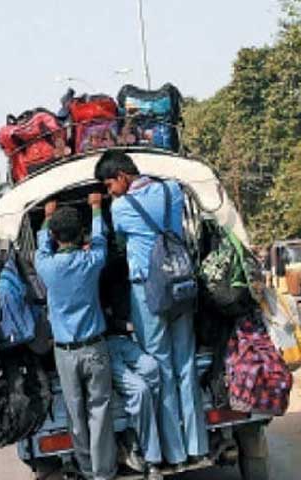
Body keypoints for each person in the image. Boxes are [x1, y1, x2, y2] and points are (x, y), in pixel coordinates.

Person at [95, 150, 207, 466]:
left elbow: (117, 245)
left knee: (161, 367)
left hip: (148, 292)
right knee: (185, 364)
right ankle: (197, 444)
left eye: (109, 185)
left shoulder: (120, 208)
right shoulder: (172, 189)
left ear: (122, 176)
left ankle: (175, 452)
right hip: (181, 286)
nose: (109, 192)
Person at [35, 196, 117, 480]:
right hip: (95, 348)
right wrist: (96, 207)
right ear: (80, 233)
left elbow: (41, 245)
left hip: (65, 353)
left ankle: (86, 468)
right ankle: (103, 472)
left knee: (76, 415)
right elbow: (100, 239)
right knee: (100, 412)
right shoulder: (91, 261)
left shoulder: (46, 266)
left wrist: (47, 216)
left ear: (55, 236)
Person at [100, 257, 163, 480]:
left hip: (124, 340)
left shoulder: (118, 273)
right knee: (140, 390)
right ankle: (151, 458)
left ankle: (138, 433)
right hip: (101, 346)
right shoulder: (86, 271)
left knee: (153, 367)